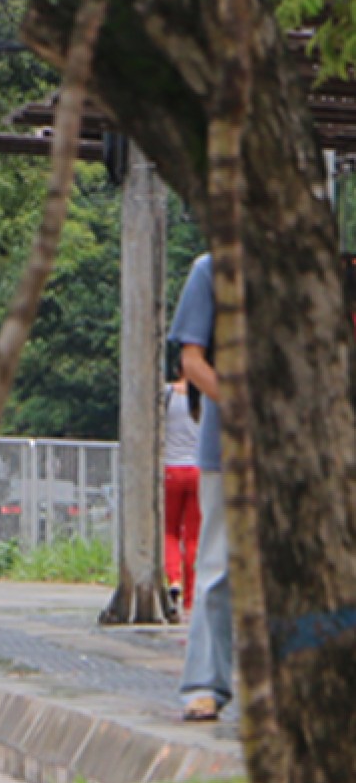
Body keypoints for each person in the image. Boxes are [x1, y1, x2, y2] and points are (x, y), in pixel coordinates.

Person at [169, 253, 229, 723]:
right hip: (228, 446)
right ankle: (204, 684)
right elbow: (192, 360)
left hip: (304, 448)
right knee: (217, 566)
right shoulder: (212, 269)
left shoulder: (305, 265)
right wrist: (247, 403)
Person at [164, 353, 201, 620]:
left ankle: (174, 580)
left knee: (169, 531)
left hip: (171, 469)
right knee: (193, 536)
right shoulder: (207, 397)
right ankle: (190, 599)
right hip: (198, 471)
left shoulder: (166, 395)